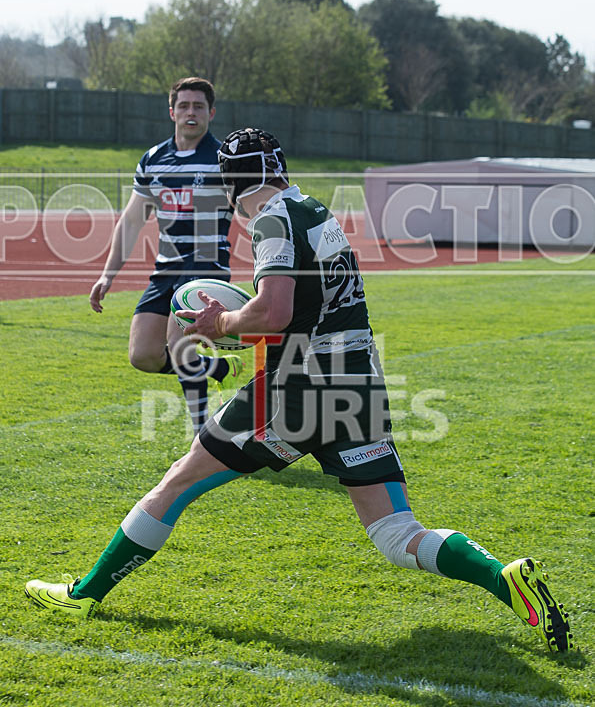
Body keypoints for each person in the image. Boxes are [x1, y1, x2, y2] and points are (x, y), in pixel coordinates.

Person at [26, 128, 572, 654]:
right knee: (394, 531)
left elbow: (275, 309)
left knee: (178, 481)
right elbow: (300, 310)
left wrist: (222, 324)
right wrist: (248, 324)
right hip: (357, 379)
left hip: (302, 383)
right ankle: (505, 579)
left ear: (235, 180)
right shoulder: (315, 210)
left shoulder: (272, 218)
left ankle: (83, 596)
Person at [88, 77, 243, 433]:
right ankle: (216, 369)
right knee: (142, 355)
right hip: (165, 271)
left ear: (211, 113)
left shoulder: (223, 161)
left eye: (199, 107)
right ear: (172, 111)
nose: (191, 113)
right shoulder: (154, 159)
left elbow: (251, 210)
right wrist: (107, 275)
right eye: (185, 106)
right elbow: (130, 222)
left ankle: (203, 437)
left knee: (177, 344)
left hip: (207, 270)